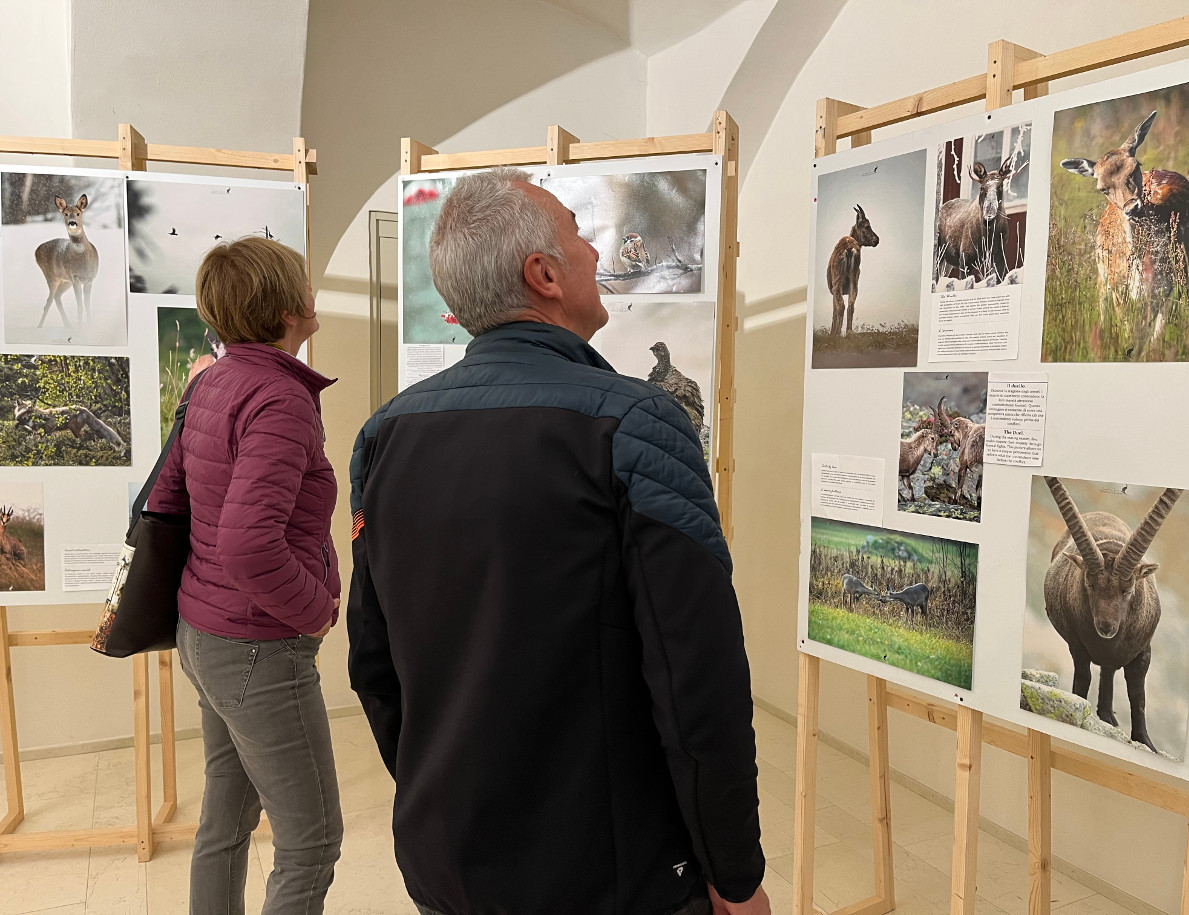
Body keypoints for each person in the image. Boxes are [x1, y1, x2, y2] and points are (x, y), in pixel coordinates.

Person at [348, 168, 768, 915]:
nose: (596, 254)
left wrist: (439, 796)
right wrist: (733, 874)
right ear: (541, 275)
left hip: (447, 866)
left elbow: (376, 663)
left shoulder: (386, 435)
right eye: (579, 235)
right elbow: (696, 678)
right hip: (612, 878)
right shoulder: (638, 425)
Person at [150, 236, 343, 914]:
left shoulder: (213, 381)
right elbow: (246, 542)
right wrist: (316, 608)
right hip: (259, 645)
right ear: (286, 305)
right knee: (311, 844)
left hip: (207, 633)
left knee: (224, 825)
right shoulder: (279, 399)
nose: (311, 291)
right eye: (302, 281)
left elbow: (172, 498)